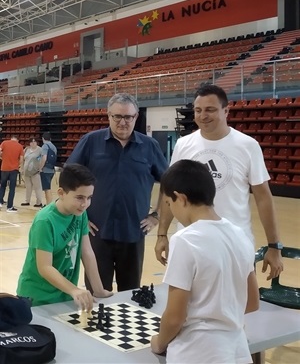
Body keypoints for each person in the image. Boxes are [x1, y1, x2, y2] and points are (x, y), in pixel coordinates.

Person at [155, 84, 283, 280]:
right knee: (189, 306)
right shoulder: (183, 144)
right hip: (191, 244)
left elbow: (263, 198)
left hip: (234, 245)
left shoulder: (248, 146)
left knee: (242, 306)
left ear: (226, 110)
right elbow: (170, 193)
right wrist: (162, 234)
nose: (203, 115)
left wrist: (274, 245)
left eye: (210, 110)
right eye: (198, 110)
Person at [151, 159, 259, 364]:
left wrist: (160, 342)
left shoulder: (185, 240)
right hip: (237, 350)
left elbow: (175, 317)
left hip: (197, 351)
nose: (172, 211)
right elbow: (252, 302)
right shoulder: (239, 235)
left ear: (180, 198)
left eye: (169, 204)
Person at [67, 93, 168, 292]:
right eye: (117, 117)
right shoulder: (91, 141)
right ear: (108, 116)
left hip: (134, 233)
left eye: (128, 117)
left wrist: (156, 215)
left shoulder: (150, 146)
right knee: (97, 293)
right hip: (96, 234)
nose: (123, 122)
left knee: (130, 294)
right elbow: (70, 178)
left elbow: (168, 182)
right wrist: (79, 217)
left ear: (136, 117)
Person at [17, 164, 113, 310]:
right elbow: (44, 267)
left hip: (64, 295)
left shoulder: (80, 214)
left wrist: (98, 289)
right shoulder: (45, 221)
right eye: (80, 197)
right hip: (38, 298)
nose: (85, 204)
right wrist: (74, 289)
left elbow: (87, 253)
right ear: (61, 193)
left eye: (89, 198)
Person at [0, 135, 24, 212]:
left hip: (4, 168)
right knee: (12, 188)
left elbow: (0, 151)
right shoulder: (20, 146)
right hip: (14, 169)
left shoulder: (4, 143)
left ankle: (0, 202)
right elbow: (21, 158)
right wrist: (19, 165)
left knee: (2, 186)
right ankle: (9, 207)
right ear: (17, 140)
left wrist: (2, 158)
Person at [20, 137, 43, 207]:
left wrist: (40, 168)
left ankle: (39, 202)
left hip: (35, 172)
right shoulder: (26, 149)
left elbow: (43, 159)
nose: (33, 143)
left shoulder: (40, 150)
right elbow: (22, 158)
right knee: (28, 187)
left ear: (37, 142)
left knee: (37, 187)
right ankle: (27, 201)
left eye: (34, 141)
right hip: (27, 172)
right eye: (31, 142)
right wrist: (21, 167)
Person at [39, 132, 57, 205]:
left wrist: (40, 167)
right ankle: (48, 204)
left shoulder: (45, 146)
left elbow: (44, 157)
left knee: (47, 189)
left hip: (45, 170)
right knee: (48, 187)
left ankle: (48, 205)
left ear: (43, 138)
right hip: (52, 169)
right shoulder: (53, 146)